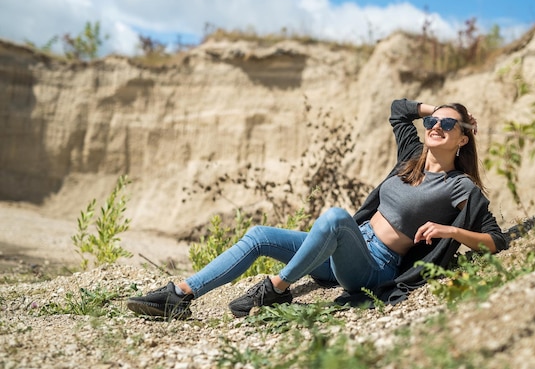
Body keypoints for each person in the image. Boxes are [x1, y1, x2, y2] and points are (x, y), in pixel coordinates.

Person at [127, 98, 509, 319]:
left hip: (375, 267)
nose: (436, 125)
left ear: (463, 138)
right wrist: (436, 106)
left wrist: (450, 231)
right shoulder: (411, 157)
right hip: (346, 247)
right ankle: (180, 295)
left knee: (335, 217)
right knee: (259, 235)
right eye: (432, 120)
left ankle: (276, 288)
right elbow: (397, 109)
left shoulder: (460, 186)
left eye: (448, 123)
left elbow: (495, 240)